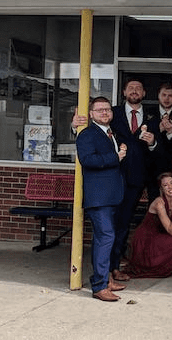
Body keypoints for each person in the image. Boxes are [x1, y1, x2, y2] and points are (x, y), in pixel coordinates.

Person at [108, 78, 161, 283]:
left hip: (136, 179)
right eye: (131, 88)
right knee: (109, 222)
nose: (135, 91)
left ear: (144, 93)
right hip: (113, 177)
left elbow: (160, 151)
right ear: (124, 92)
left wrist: (153, 142)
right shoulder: (112, 113)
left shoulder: (153, 118)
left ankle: (115, 263)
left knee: (123, 223)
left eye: (138, 88)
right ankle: (109, 265)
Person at [75, 97, 127, 302]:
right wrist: (116, 157)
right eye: (99, 110)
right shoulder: (87, 134)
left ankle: (104, 279)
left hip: (111, 195)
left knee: (103, 238)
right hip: (98, 197)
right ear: (91, 114)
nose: (104, 113)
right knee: (106, 237)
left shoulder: (110, 132)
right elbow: (87, 160)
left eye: (107, 109)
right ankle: (99, 286)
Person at [124, 172, 172, 278]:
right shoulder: (159, 203)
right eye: (165, 185)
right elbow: (171, 230)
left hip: (162, 231)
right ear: (161, 189)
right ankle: (163, 265)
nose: (170, 187)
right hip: (148, 238)